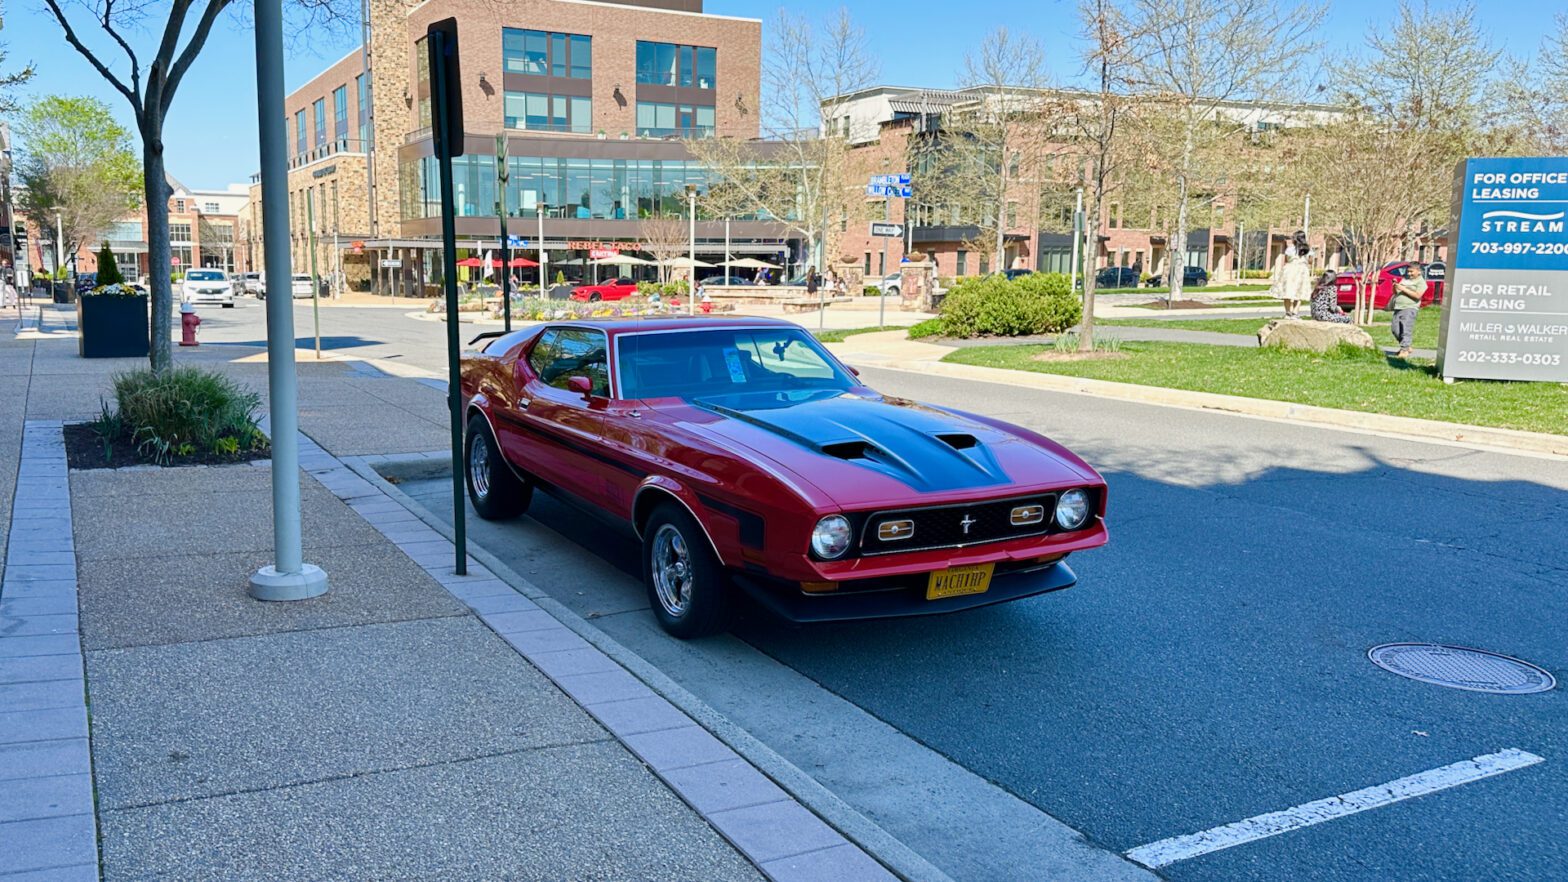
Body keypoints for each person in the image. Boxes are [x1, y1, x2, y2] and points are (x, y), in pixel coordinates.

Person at [1271, 232, 1312, 319]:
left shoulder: (1290, 249)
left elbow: (1286, 259)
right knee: (1299, 292)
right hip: (1302, 271)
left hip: (1290, 270)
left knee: (1287, 291)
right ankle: (1295, 313)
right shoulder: (1308, 250)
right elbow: (1310, 261)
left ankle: (1288, 312)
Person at [1389, 264, 1425, 358]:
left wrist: (1403, 288)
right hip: (1398, 307)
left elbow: (1418, 295)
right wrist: (1395, 286)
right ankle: (1407, 346)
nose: (1409, 273)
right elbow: (1396, 292)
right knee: (1395, 329)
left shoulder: (1421, 282)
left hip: (1410, 307)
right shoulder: (1405, 279)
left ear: (1419, 271)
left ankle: (1404, 350)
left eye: (1411, 271)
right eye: (1408, 271)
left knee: (1405, 328)